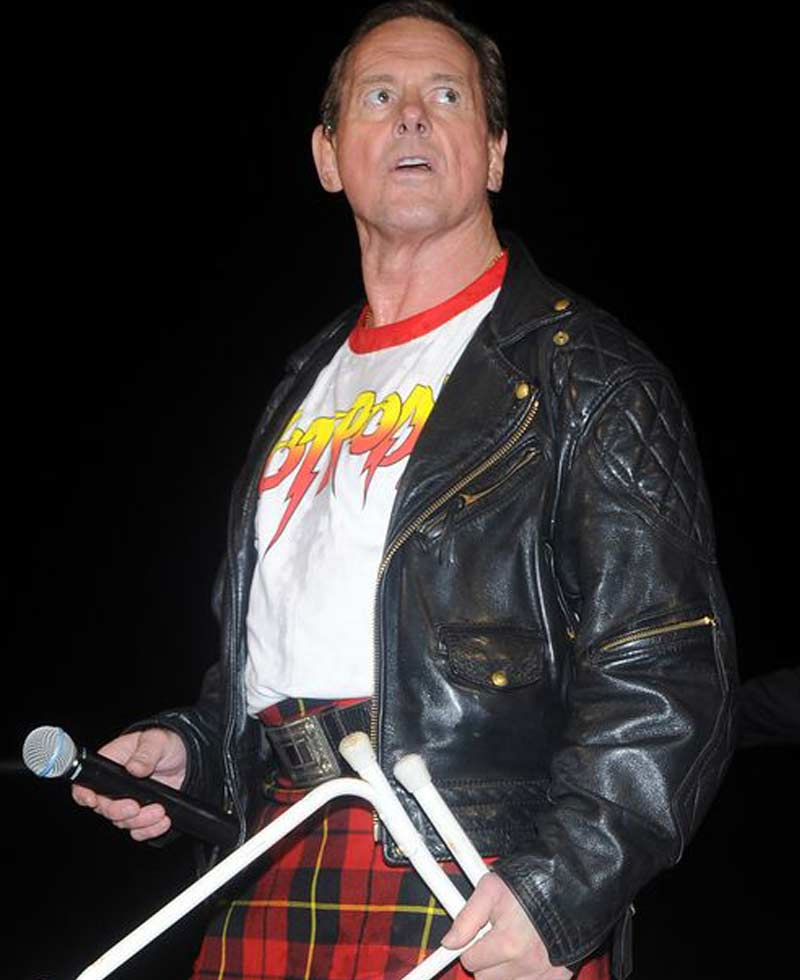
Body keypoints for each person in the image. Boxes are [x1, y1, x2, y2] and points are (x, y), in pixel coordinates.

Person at [72, 3, 737, 978]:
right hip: (273, 855)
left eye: (447, 95)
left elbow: (667, 670)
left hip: (475, 875)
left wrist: (565, 887)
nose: (413, 116)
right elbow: (271, 661)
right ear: (328, 155)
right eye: (379, 97)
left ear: (495, 153)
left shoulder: (587, 374)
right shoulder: (302, 384)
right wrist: (197, 747)